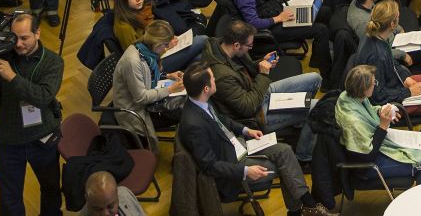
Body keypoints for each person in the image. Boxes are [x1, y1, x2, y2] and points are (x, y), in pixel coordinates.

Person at [178, 62, 334, 216]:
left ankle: (305, 208)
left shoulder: (199, 101)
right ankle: (304, 209)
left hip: (238, 145)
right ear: (206, 88)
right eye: (212, 78)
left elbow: (221, 120)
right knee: (286, 165)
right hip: (234, 165)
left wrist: (246, 130)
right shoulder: (194, 125)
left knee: (285, 151)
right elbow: (209, 166)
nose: (215, 79)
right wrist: (245, 171)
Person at [0, 13, 65, 216]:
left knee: (51, 191)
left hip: (43, 138)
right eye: (14, 38)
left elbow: (43, 96)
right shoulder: (1, 58)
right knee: (9, 199)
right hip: (8, 140)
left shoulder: (53, 62)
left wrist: (11, 77)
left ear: (37, 33)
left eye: (25, 38)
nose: (19, 44)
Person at [349, 0, 421, 167]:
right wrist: (409, 92)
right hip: (391, 102)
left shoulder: (379, 37)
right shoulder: (375, 54)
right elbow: (378, 96)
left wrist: (407, 78)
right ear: (393, 23)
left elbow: (393, 65)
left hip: (396, 86)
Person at [200, 20, 323, 158]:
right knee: (318, 108)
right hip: (257, 114)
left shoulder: (220, 45)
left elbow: (242, 72)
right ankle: (304, 156)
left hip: (256, 90)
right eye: (249, 46)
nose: (250, 49)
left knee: (315, 78)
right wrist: (263, 74)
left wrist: (260, 63)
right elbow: (248, 107)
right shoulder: (222, 76)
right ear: (236, 45)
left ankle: (298, 122)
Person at [230, 0, 333, 86]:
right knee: (321, 30)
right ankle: (328, 80)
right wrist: (279, 18)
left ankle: (317, 58)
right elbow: (252, 23)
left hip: (276, 13)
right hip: (270, 27)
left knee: (325, 11)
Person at [336, 64, 421, 184]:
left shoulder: (350, 96)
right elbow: (368, 155)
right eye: (373, 83)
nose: (375, 85)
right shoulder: (353, 121)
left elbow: (368, 111)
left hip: (376, 145)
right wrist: (383, 125)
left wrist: (381, 110)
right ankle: (418, 200)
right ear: (364, 89)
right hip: (368, 165)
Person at [112, 20, 185, 151]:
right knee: (184, 112)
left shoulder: (145, 50)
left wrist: (168, 76)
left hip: (145, 100)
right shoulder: (132, 62)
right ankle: (182, 154)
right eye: (166, 45)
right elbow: (140, 98)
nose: (166, 48)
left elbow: (149, 74)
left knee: (186, 106)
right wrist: (170, 89)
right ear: (157, 44)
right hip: (135, 110)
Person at [113, 0, 207, 71]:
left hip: (162, 53)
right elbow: (137, 56)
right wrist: (165, 46)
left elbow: (153, 37)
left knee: (200, 58)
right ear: (124, 0)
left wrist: (167, 39)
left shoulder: (144, 10)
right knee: (202, 39)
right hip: (152, 65)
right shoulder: (123, 26)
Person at [79, 170, 146, 216]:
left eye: (110, 206)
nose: (106, 214)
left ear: (117, 195)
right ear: (87, 200)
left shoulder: (125, 194)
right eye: (97, 209)